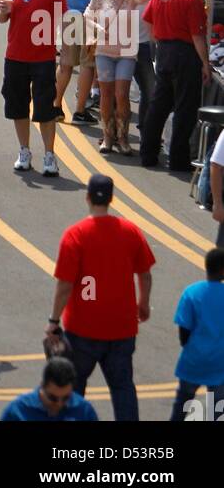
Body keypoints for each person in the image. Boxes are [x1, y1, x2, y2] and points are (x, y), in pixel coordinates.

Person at [47, 174, 155, 423]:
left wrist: (53, 320)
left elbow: (65, 284)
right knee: (122, 388)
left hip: (82, 329)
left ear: (87, 197)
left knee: (74, 389)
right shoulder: (130, 231)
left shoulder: (75, 235)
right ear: (111, 199)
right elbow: (145, 274)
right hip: (122, 327)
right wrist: (143, 303)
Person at [0, 0, 67, 176]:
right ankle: (24, 151)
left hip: (42, 58)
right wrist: (4, 11)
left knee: (46, 109)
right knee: (17, 106)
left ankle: (49, 155)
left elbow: (63, 19)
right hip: (15, 56)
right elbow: (0, 17)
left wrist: (62, 48)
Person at [140, 0, 211, 172]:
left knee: (160, 103)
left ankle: (148, 152)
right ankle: (178, 159)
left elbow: (148, 19)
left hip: (164, 50)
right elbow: (198, 37)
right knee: (185, 107)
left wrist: (158, 43)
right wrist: (205, 64)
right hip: (185, 53)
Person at [92, 0, 158, 132]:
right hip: (115, 44)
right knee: (113, 93)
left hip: (142, 42)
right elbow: (95, 9)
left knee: (150, 89)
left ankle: (146, 129)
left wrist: (156, 37)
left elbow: (154, 4)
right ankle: (110, 133)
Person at [84, 0, 149, 154]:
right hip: (104, 51)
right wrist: (98, 29)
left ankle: (122, 136)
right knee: (106, 94)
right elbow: (87, 16)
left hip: (126, 52)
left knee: (121, 94)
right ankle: (107, 136)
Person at [170, 247, 224, 420]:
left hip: (193, 359)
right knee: (217, 409)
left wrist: (189, 346)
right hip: (220, 362)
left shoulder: (192, 292)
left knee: (181, 405)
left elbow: (184, 330)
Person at [0, 357, 98, 422]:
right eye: (53, 398)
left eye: (66, 398)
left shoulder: (84, 410)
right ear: (42, 386)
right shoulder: (18, 411)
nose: (59, 404)